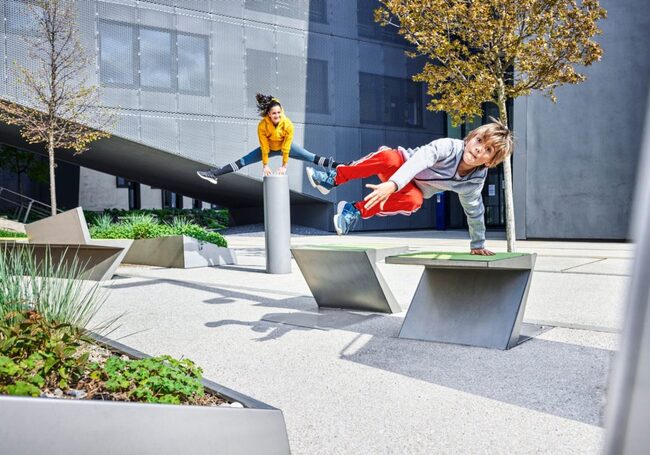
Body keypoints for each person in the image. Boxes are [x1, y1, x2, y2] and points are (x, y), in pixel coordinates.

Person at [305, 118, 513, 255]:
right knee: (389, 157)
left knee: (415, 201)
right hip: (400, 165)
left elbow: (474, 210)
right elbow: (419, 161)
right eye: (478, 140)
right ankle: (333, 178)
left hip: (411, 189)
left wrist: (478, 244)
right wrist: (394, 183)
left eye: (487, 150)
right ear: (469, 138)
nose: (478, 149)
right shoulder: (448, 147)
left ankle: (353, 211)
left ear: (490, 162)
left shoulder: (474, 181)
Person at [197, 93, 339, 183]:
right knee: (242, 161)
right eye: (274, 113)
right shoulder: (262, 125)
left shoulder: (288, 124)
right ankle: (214, 174)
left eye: (278, 112)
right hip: (269, 148)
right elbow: (264, 147)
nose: (277, 115)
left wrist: (284, 166)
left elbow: (286, 146)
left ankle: (340, 166)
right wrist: (265, 165)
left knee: (311, 157)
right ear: (269, 114)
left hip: (285, 147)